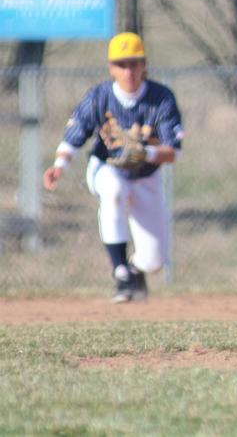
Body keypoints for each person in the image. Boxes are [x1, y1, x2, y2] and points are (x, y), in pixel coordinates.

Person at [43, 32, 184, 303]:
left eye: (134, 63)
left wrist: (145, 152)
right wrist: (59, 166)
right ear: (111, 68)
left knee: (154, 260)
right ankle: (120, 272)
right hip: (106, 168)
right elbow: (75, 136)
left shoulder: (161, 98)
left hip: (146, 176)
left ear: (144, 65)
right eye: (121, 64)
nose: (128, 70)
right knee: (114, 189)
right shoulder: (100, 97)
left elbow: (173, 152)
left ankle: (134, 269)